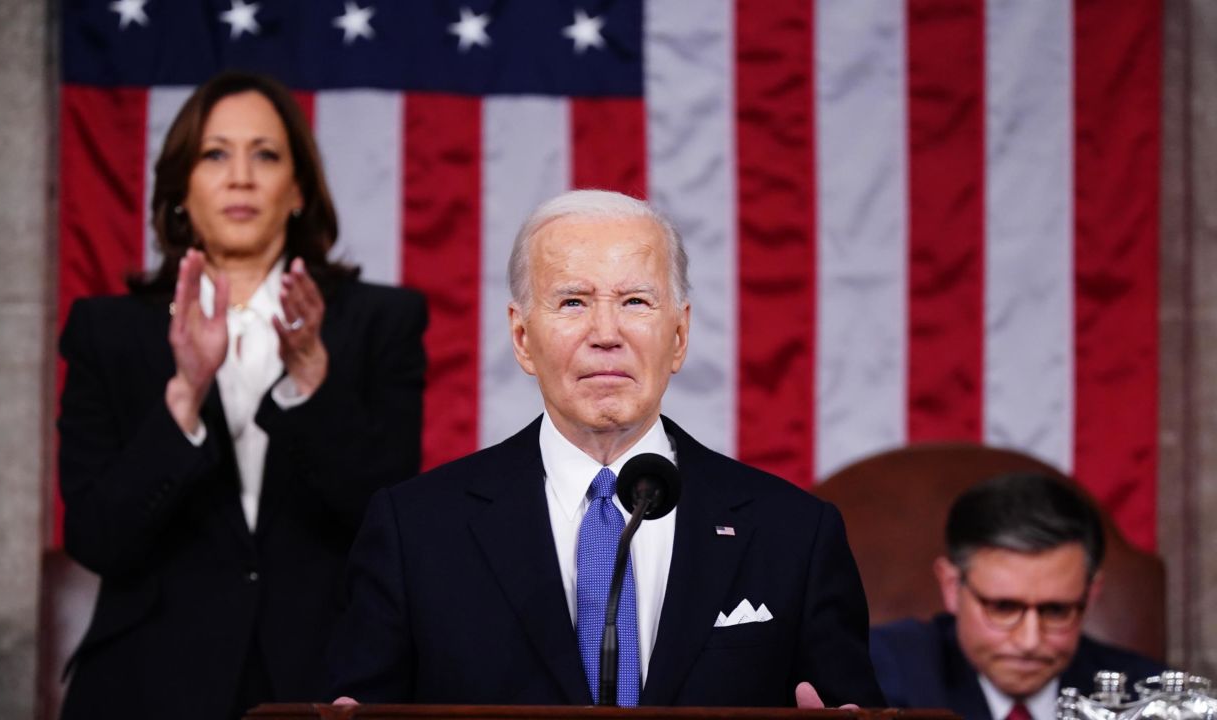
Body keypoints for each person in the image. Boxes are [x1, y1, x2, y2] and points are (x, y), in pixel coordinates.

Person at [328, 189, 885, 708]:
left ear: (680, 336)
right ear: (522, 337)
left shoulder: (793, 535)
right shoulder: (417, 531)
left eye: (636, 301)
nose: (605, 333)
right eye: (572, 302)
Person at [57, 71, 426, 720]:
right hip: (145, 683)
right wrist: (184, 396)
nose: (241, 176)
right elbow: (96, 538)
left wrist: (312, 380)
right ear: (181, 192)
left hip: (322, 678)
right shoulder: (105, 331)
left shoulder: (380, 322)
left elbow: (389, 522)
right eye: (215, 154)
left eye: (266, 154)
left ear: (298, 190)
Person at [870, 474, 1165, 720]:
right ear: (951, 586)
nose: (1029, 642)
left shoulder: (1150, 701)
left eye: (1056, 610)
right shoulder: (876, 677)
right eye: (1003, 607)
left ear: (1090, 595)